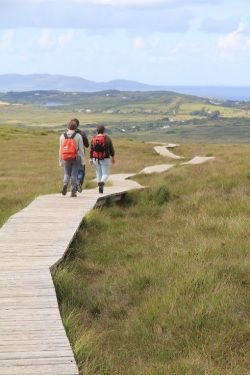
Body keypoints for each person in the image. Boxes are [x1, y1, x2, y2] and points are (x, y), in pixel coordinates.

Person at [59, 119, 84, 197]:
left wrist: (60, 160)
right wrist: (83, 161)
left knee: (67, 173)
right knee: (74, 174)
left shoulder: (62, 136)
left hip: (65, 157)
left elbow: (60, 149)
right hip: (76, 158)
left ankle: (65, 184)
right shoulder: (78, 136)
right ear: (76, 128)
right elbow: (81, 149)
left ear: (68, 127)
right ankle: (73, 191)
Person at [90, 125, 115, 193]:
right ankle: (102, 182)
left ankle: (100, 188)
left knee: (98, 173)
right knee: (105, 174)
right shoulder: (107, 138)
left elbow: (91, 149)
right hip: (105, 158)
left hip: (95, 159)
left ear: (97, 131)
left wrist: (91, 158)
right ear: (104, 131)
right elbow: (111, 149)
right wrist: (112, 157)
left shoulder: (94, 138)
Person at [71, 118, 89, 192]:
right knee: (81, 171)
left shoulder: (66, 134)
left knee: (72, 172)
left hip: (69, 156)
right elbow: (87, 145)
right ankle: (78, 183)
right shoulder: (82, 133)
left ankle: (73, 189)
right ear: (78, 125)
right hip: (79, 155)